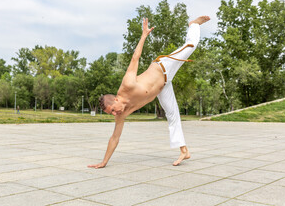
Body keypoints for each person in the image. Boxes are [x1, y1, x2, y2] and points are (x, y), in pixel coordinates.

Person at [88, 16, 210, 169]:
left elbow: (135, 58)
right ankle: (184, 151)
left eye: (112, 109)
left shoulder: (127, 85)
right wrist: (104, 162)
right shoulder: (121, 115)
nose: (114, 114)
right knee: (172, 115)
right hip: (164, 86)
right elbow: (115, 138)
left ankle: (193, 25)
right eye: (110, 113)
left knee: (190, 46)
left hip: (164, 66)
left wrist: (144, 35)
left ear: (117, 99)